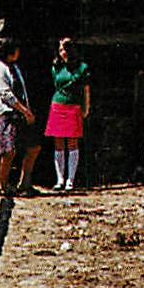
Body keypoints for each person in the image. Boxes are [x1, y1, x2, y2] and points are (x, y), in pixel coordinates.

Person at [0, 44, 41, 196]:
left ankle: (25, 183)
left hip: (21, 113)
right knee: (8, 151)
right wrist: (25, 111)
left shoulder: (15, 68)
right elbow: (6, 95)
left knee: (33, 146)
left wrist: (26, 110)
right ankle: (2, 185)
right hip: (7, 114)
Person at [45, 36, 91, 192]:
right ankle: (60, 180)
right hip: (58, 105)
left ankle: (70, 180)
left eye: (65, 49)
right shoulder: (56, 67)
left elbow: (86, 89)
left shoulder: (82, 68)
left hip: (73, 106)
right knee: (58, 143)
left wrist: (86, 107)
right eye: (60, 50)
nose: (62, 52)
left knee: (72, 143)